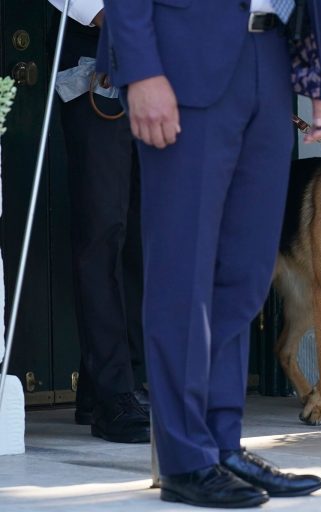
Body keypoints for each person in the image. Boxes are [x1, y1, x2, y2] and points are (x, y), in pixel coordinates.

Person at [98, 0, 321, 507]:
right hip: (182, 60)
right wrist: (141, 69)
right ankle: (186, 460)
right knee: (182, 274)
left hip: (270, 56)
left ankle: (222, 444)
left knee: (248, 270)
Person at [48, 0, 149, 444]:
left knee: (143, 235)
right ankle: (114, 393)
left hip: (161, 62)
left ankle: (107, 382)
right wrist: (111, 18)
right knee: (103, 231)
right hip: (98, 54)